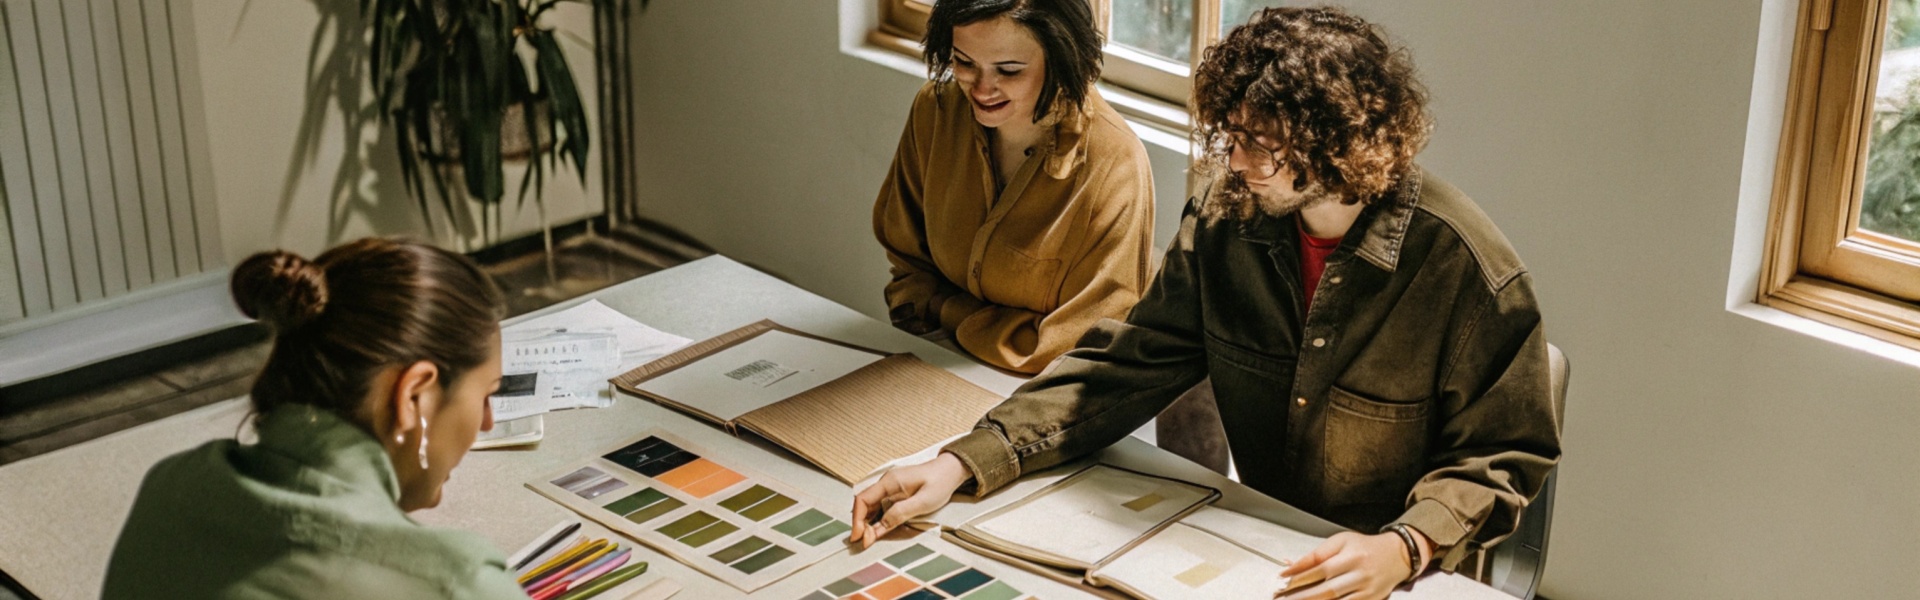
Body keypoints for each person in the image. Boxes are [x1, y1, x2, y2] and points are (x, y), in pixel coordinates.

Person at [850, 7, 1561, 600]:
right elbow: (1125, 365)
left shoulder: (1464, 267)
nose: (1239, 163)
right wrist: (961, 463)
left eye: (1262, 145)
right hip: (1260, 549)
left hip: (1404, 571)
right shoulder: (1229, 223)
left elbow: (1505, 450)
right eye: (1235, 137)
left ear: (1341, 141)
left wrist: (1406, 547)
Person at [102, 238, 523, 599]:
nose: (487, 422)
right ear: (414, 395)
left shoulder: (171, 489)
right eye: (487, 394)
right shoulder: (456, 583)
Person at [874, 0, 1154, 374]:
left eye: (1008, 70)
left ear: (1059, 58)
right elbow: (908, 266)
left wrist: (948, 310)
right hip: (930, 359)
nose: (982, 88)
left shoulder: (1115, 163)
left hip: (1040, 389)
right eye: (964, 62)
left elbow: (1082, 344)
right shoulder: (936, 110)